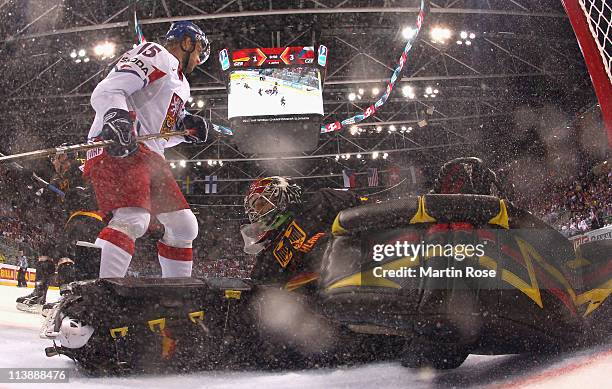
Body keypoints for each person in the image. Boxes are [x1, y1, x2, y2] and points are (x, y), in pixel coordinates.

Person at [83, 21, 213, 279]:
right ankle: (98, 299)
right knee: (133, 219)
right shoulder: (155, 53)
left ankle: (176, 300)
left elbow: (160, 136)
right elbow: (107, 90)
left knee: (184, 227)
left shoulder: (182, 84)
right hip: (121, 148)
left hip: (151, 156)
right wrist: (117, 119)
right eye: (198, 51)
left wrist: (184, 129)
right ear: (186, 42)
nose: (198, 60)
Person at [241, 177, 364, 283]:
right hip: (307, 302)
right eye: (254, 206)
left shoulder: (322, 202)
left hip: (344, 279)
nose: (257, 210)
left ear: (283, 195)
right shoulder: (267, 253)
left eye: (262, 201)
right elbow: (261, 287)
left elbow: (365, 213)